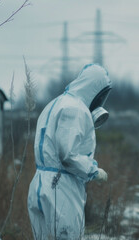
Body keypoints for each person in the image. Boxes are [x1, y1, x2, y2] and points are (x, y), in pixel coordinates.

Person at [28, 64, 111, 239]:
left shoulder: (56, 103)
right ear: (94, 89)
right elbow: (67, 155)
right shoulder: (76, 109)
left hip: (39, 183)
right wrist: (93, 171)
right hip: (61, 187)